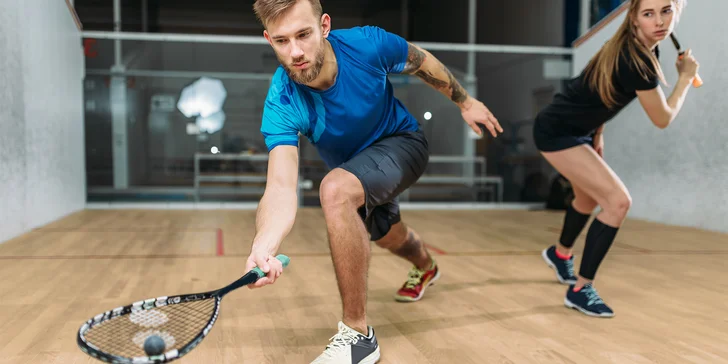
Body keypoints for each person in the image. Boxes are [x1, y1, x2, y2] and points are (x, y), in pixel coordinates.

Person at [245, 0, 502, 362]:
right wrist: (264, 244)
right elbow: (281, 186)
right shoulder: (283, 100)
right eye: (282, 41)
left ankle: (358, 335)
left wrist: (464, 101)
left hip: (402, 144)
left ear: (324, 26)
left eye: (303, 34)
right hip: (358, 169)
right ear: (268, 39)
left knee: (334, 191)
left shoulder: (368, 45)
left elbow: (421, 62)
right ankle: (427, 267)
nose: (296, 52)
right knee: (388, 236)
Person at [534, 0, 698, 318]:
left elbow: (602, 91)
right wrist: (686, 79)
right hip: (556, 132)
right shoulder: (637, 60)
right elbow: (662, 118)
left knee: (587, 198)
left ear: (676, 11)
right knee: (617, 202)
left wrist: (598, 133)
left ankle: (559, 254)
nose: (659, 21)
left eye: (666, 11)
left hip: (578, 130)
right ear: (633, 19)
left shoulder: (638, 47)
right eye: (648, 13)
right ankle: (581, 289)